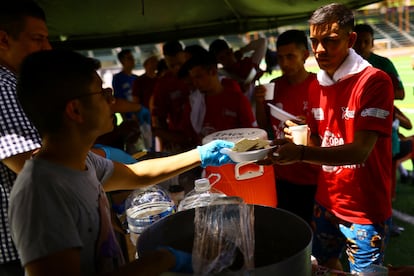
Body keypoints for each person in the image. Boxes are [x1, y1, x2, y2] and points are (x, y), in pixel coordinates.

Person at [9, 49, 235, 276]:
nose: (112, 101)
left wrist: (201, 154)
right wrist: (159, 260)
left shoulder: (80, 161)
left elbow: (136, 174)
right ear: (75, 110)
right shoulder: (41, 193)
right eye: (102, 94)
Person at [269, 3, 394, 273]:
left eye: (330, 41)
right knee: (321, 266)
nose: (320, 50)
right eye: (315, 41)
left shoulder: (375, 82)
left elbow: (360, 151)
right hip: (325, 202)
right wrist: (294, 143)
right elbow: (319, 141)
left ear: (350, 40)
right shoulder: (317, 84)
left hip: (364, 211)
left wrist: (301, 154)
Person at [0, 2, 51, 275]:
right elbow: (33, 168)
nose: (47, 48)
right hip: (17, 249)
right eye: (38, 39)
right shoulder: (3, 88)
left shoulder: (14, 86)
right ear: (3, 39)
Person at [254, 29, 319, 225]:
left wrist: (307, 127)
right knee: (289, 229)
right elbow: (265, 126)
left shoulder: (319, 86)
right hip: (281, 174)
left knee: (314, 233)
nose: (284, 63)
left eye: (290, 56)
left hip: (312, 176)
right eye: (280, 57)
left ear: (305, 56)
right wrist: (258, 102)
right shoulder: (274, 85)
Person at [180, 51, 257, 141]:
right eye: (193, 78)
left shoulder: (237, 100)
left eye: (198, 77)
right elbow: (189, 137)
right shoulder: (193, 103)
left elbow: (252, 135)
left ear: (212, 72)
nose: (195, 83)